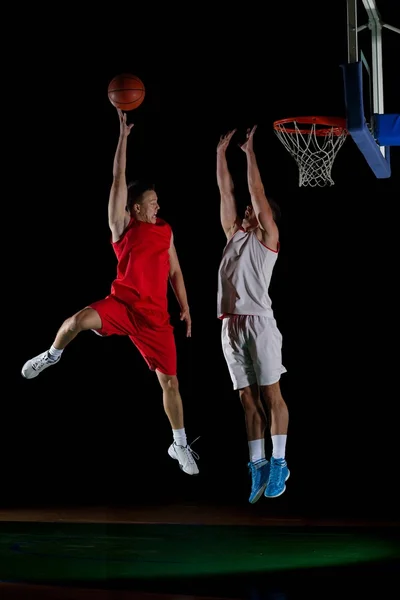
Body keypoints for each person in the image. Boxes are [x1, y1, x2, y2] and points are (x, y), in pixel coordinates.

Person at [21, 108, 199, 476]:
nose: (158, 205)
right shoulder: (122, 225)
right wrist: (123, 137)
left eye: (157, 202)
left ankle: (178, 444)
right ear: (136, 207)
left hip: (155, 319)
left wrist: (185, 307)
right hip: (121, 305)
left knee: (170, 383)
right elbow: (118, 176)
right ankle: (52, 356)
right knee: (75, 321)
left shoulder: (165, 230)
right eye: (152, 202)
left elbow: (176, 270)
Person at [216, 125, 289, 501]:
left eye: (253, 210)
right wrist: (219, 154)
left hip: (259, 322)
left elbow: (255, 193)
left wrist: (248, 153)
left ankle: (279, 462)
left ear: (264, 219)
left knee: (271, 393)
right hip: (230, 325)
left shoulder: (266, 239)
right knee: (246, 400)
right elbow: (226, 192)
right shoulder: (234, 234)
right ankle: (257, 464)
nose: (247, 209)